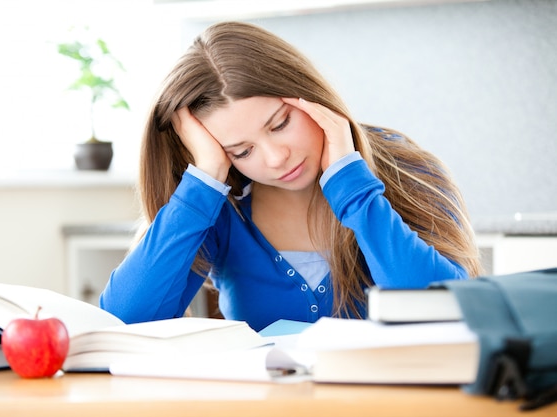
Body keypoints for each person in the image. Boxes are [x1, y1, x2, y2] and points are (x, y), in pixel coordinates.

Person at [100, 21, 481, 332]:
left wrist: (355, 192)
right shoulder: (220, 210)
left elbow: (450, 315)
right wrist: (203, 181)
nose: (276, 157)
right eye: (242, 151)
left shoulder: (406, 167)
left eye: (280, 124)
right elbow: (123, 323)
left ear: (308, 93)